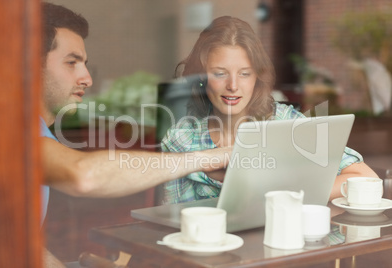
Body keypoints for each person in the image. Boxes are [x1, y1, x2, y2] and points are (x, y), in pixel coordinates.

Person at [40, 3, 231, 267]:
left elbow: (16, 244)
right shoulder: (5, 133)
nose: (86, 78)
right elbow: (83, 174)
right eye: (72, 63)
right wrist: (208, 158)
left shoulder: (34, 131)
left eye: (84, 64)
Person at [160, 16, 378, 204]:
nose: (233, 85)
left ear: (257, 77)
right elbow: (173, 219)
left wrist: (287, 194)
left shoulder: (284, 122)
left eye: (245, 73)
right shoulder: (181, 139)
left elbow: (365, 177)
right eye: (219, 73)